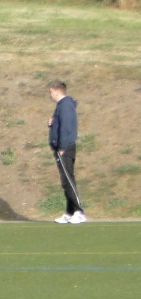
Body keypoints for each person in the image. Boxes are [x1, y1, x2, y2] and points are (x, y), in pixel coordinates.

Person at [48, 81, 86, 224]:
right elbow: (60, 124)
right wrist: (52, 123)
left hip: (65, 148)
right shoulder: (61, 106)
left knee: (68, 180)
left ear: (57, 91)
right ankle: (70, 212)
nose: (50, 95)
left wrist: (62, 146)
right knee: (66, 181)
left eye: (51, 92)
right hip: (61, 147)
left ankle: (79, 212)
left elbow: (66, 127)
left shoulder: (65, 105)